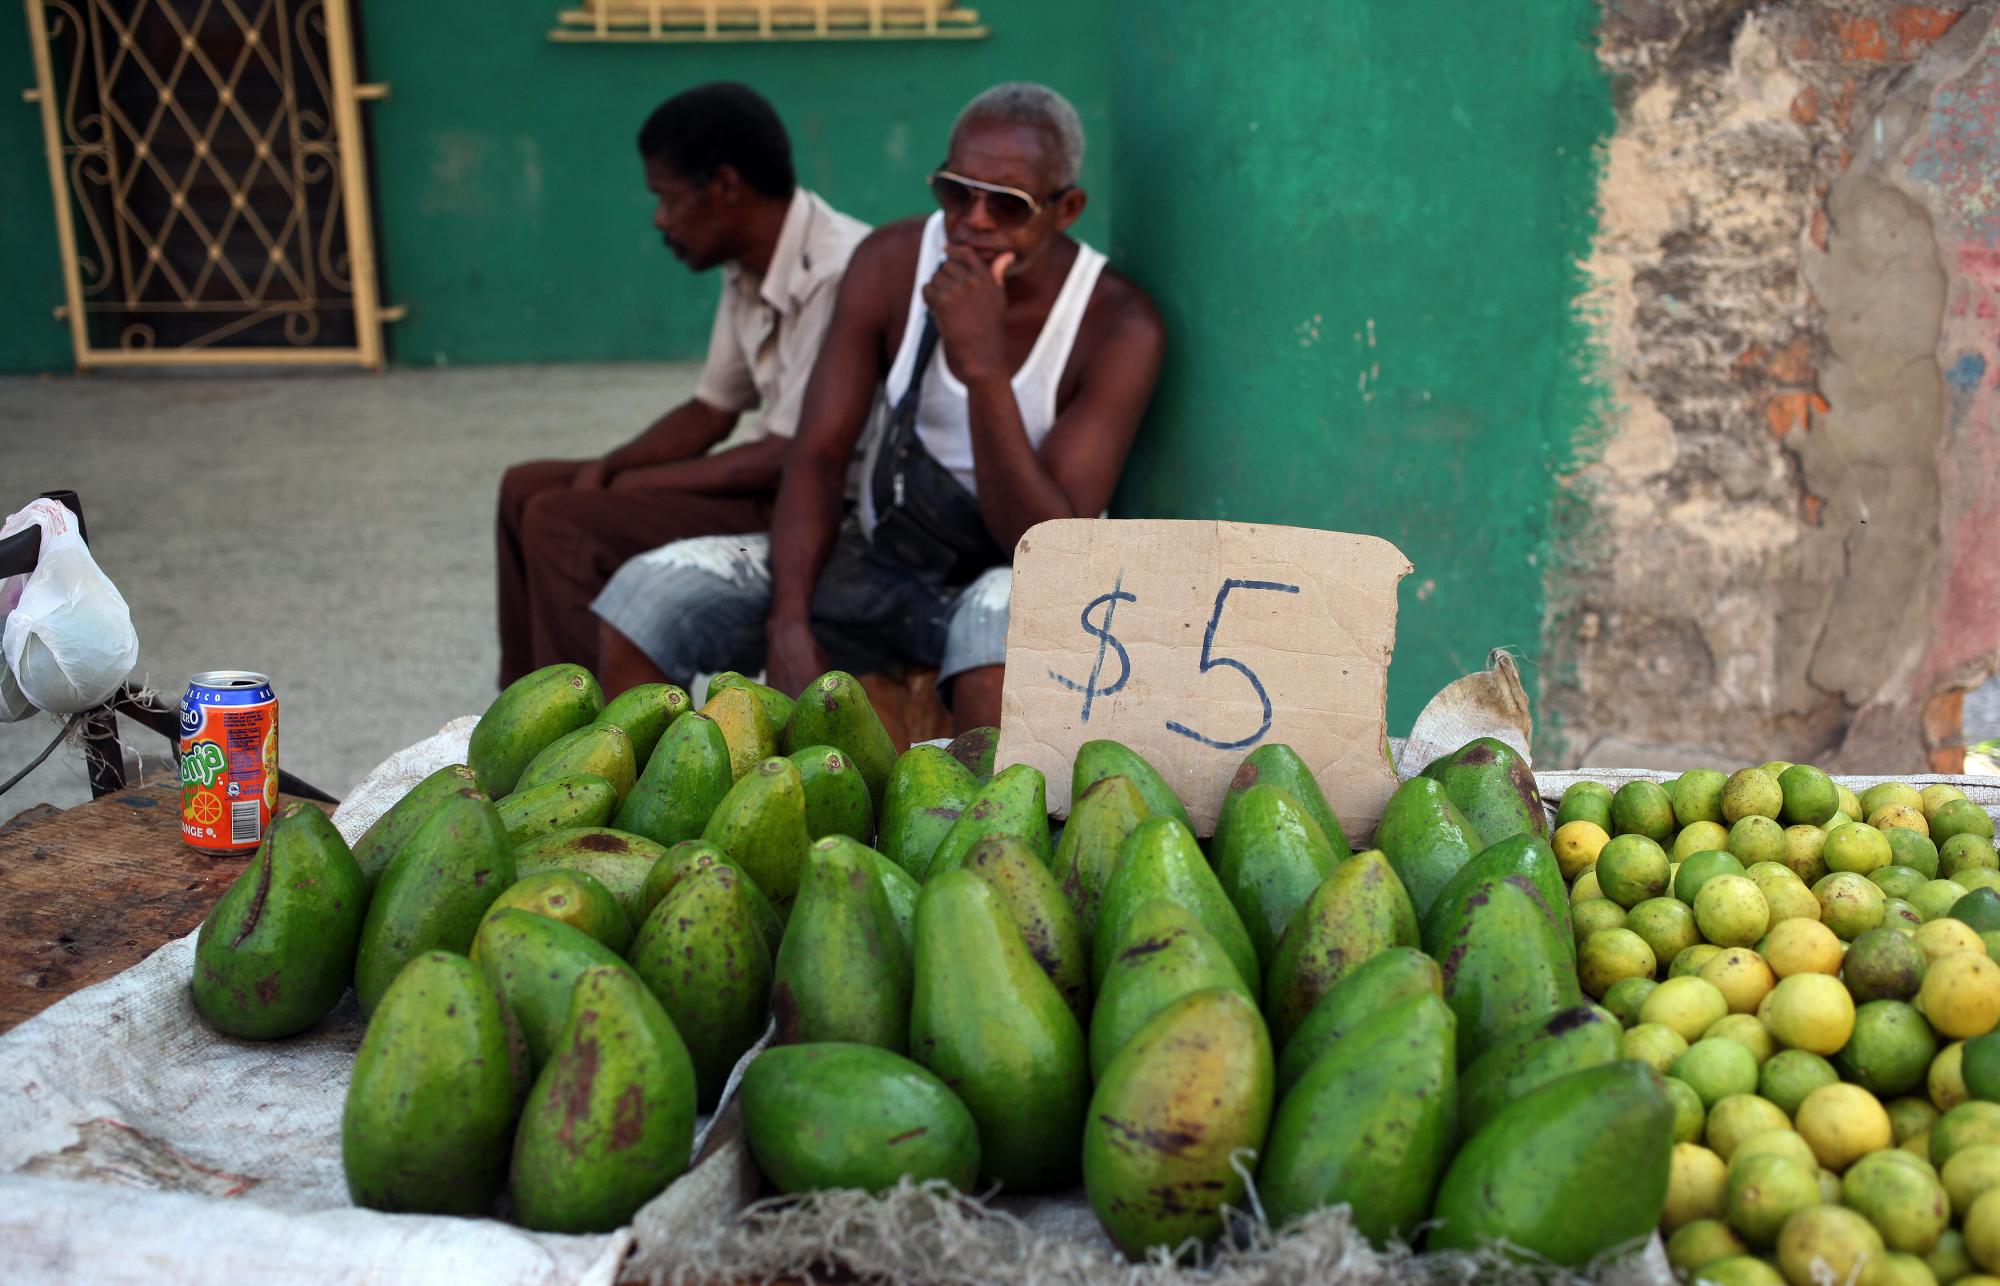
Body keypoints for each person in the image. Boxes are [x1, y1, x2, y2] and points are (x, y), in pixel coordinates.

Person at [592, 83, 1165, 731]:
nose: (973, 219)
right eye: (955, 192)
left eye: (1006, 205)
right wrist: (789, 621)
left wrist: (983, 369)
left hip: (1007, 570)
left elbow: (1044, 542)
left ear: (1066, 210)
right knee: (646, 600)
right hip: (877, 550)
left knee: (997, 666)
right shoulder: (891, 262)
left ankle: (979, 832)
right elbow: (817, 456)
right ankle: (661, 809)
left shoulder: (1117, 325)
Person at [494, 83, 868, 688]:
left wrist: (627, 483)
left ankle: (584, 739)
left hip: (821, 507)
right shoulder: (747, 263)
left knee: (563, 521)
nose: (659, 220)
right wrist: (611, 465)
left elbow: (788, 457)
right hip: (775, 478)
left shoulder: (838, 270)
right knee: (524, 487)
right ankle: (520, 701)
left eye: (666, 198)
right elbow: (710, 411)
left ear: (724, 186)